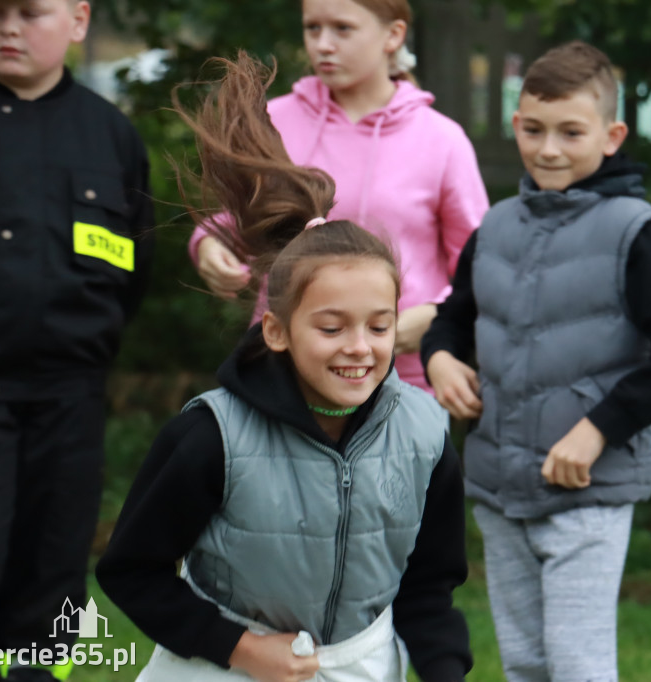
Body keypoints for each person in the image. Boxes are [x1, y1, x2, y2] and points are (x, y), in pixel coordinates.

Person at [96, 52, 471, 682]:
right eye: (331, 327)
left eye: (379, 326)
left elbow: (429, 588)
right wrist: (240, 649)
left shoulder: (425, 432)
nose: (359, 346)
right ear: (276, 330)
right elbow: (131, 571)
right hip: (219, 667)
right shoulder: (211, 435)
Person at [421, 41, 651, 682]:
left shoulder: (635, 231)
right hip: (500, 488)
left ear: (611, 136)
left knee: (578, 666)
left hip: (588, 491)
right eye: (533, 129)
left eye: (570, 132)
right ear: (515, 125)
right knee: (527, 664)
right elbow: (451, 318)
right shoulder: (495, 228)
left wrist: (597, 431)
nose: (548, 148)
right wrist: (441, 359)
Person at [0, 1, 154, 681]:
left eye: (31, 12)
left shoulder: (111, 138)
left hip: (68, 406)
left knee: (51, 586)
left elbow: (129, 278)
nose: (9, 27)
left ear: (79, 20)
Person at [188, 0, 489, 393]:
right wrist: (210, 245)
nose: (323, 45)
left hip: (401, 378)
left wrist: (436, 315)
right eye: (313, 28)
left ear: (393, 35)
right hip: (282, 369)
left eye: (342, 29)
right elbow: (237, 217)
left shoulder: (442, 139)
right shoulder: (275, 120)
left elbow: (481, 264)